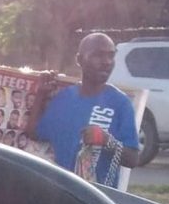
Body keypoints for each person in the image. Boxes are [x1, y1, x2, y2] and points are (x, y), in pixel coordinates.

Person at [25, 32, 140, 188]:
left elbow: (132, 159)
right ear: (79, 60)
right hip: (62, 192)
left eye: (111, 56)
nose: (106, 62)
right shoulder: (64, 98)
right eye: (98, 55)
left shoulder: (121, 104)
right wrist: (41, 94)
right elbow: (34, 132)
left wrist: (107, 141)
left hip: (99, 199)